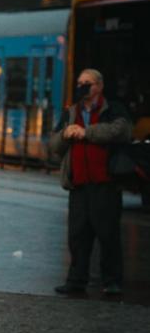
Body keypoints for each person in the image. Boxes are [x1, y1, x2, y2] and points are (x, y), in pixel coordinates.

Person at [50, 69, 131, 296]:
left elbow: (122, 131)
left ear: (99, 86)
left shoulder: (112, 109)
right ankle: (76, 281)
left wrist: (87, 133)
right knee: (78, 235)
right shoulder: (71, 112)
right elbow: (54, 145)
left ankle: (112, 281)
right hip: (79, 184)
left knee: (108, 235)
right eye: (80, 83)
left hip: (105, 183)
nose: (83, 87)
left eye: (88, 83)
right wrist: (66, 133)